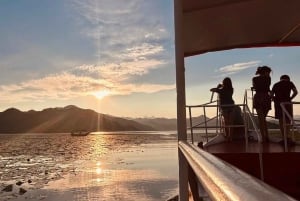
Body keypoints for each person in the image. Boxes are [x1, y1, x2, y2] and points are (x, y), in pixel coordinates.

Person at [271, 75, 298, 141]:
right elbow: (295, 92)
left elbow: (271, 94)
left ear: (281, 79)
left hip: (278, 103)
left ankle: (284, 136)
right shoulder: (290, 83)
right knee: (288, 119)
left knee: (281, 119)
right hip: (287, 103)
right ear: (288, 79)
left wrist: (274, 99)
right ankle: (287, 136)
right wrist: (290, 98)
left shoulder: (276, 84)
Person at [252, 66, 272, 142]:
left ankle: (263, 137)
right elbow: (267, 87)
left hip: (258, 97)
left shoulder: (254, 79)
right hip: (266, 97)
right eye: (269, 72)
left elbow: (255, 87)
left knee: (261, 119)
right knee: (263, 118)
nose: (269, 74)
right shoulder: (268, 78)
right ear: (265, 72)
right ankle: (266, 136)